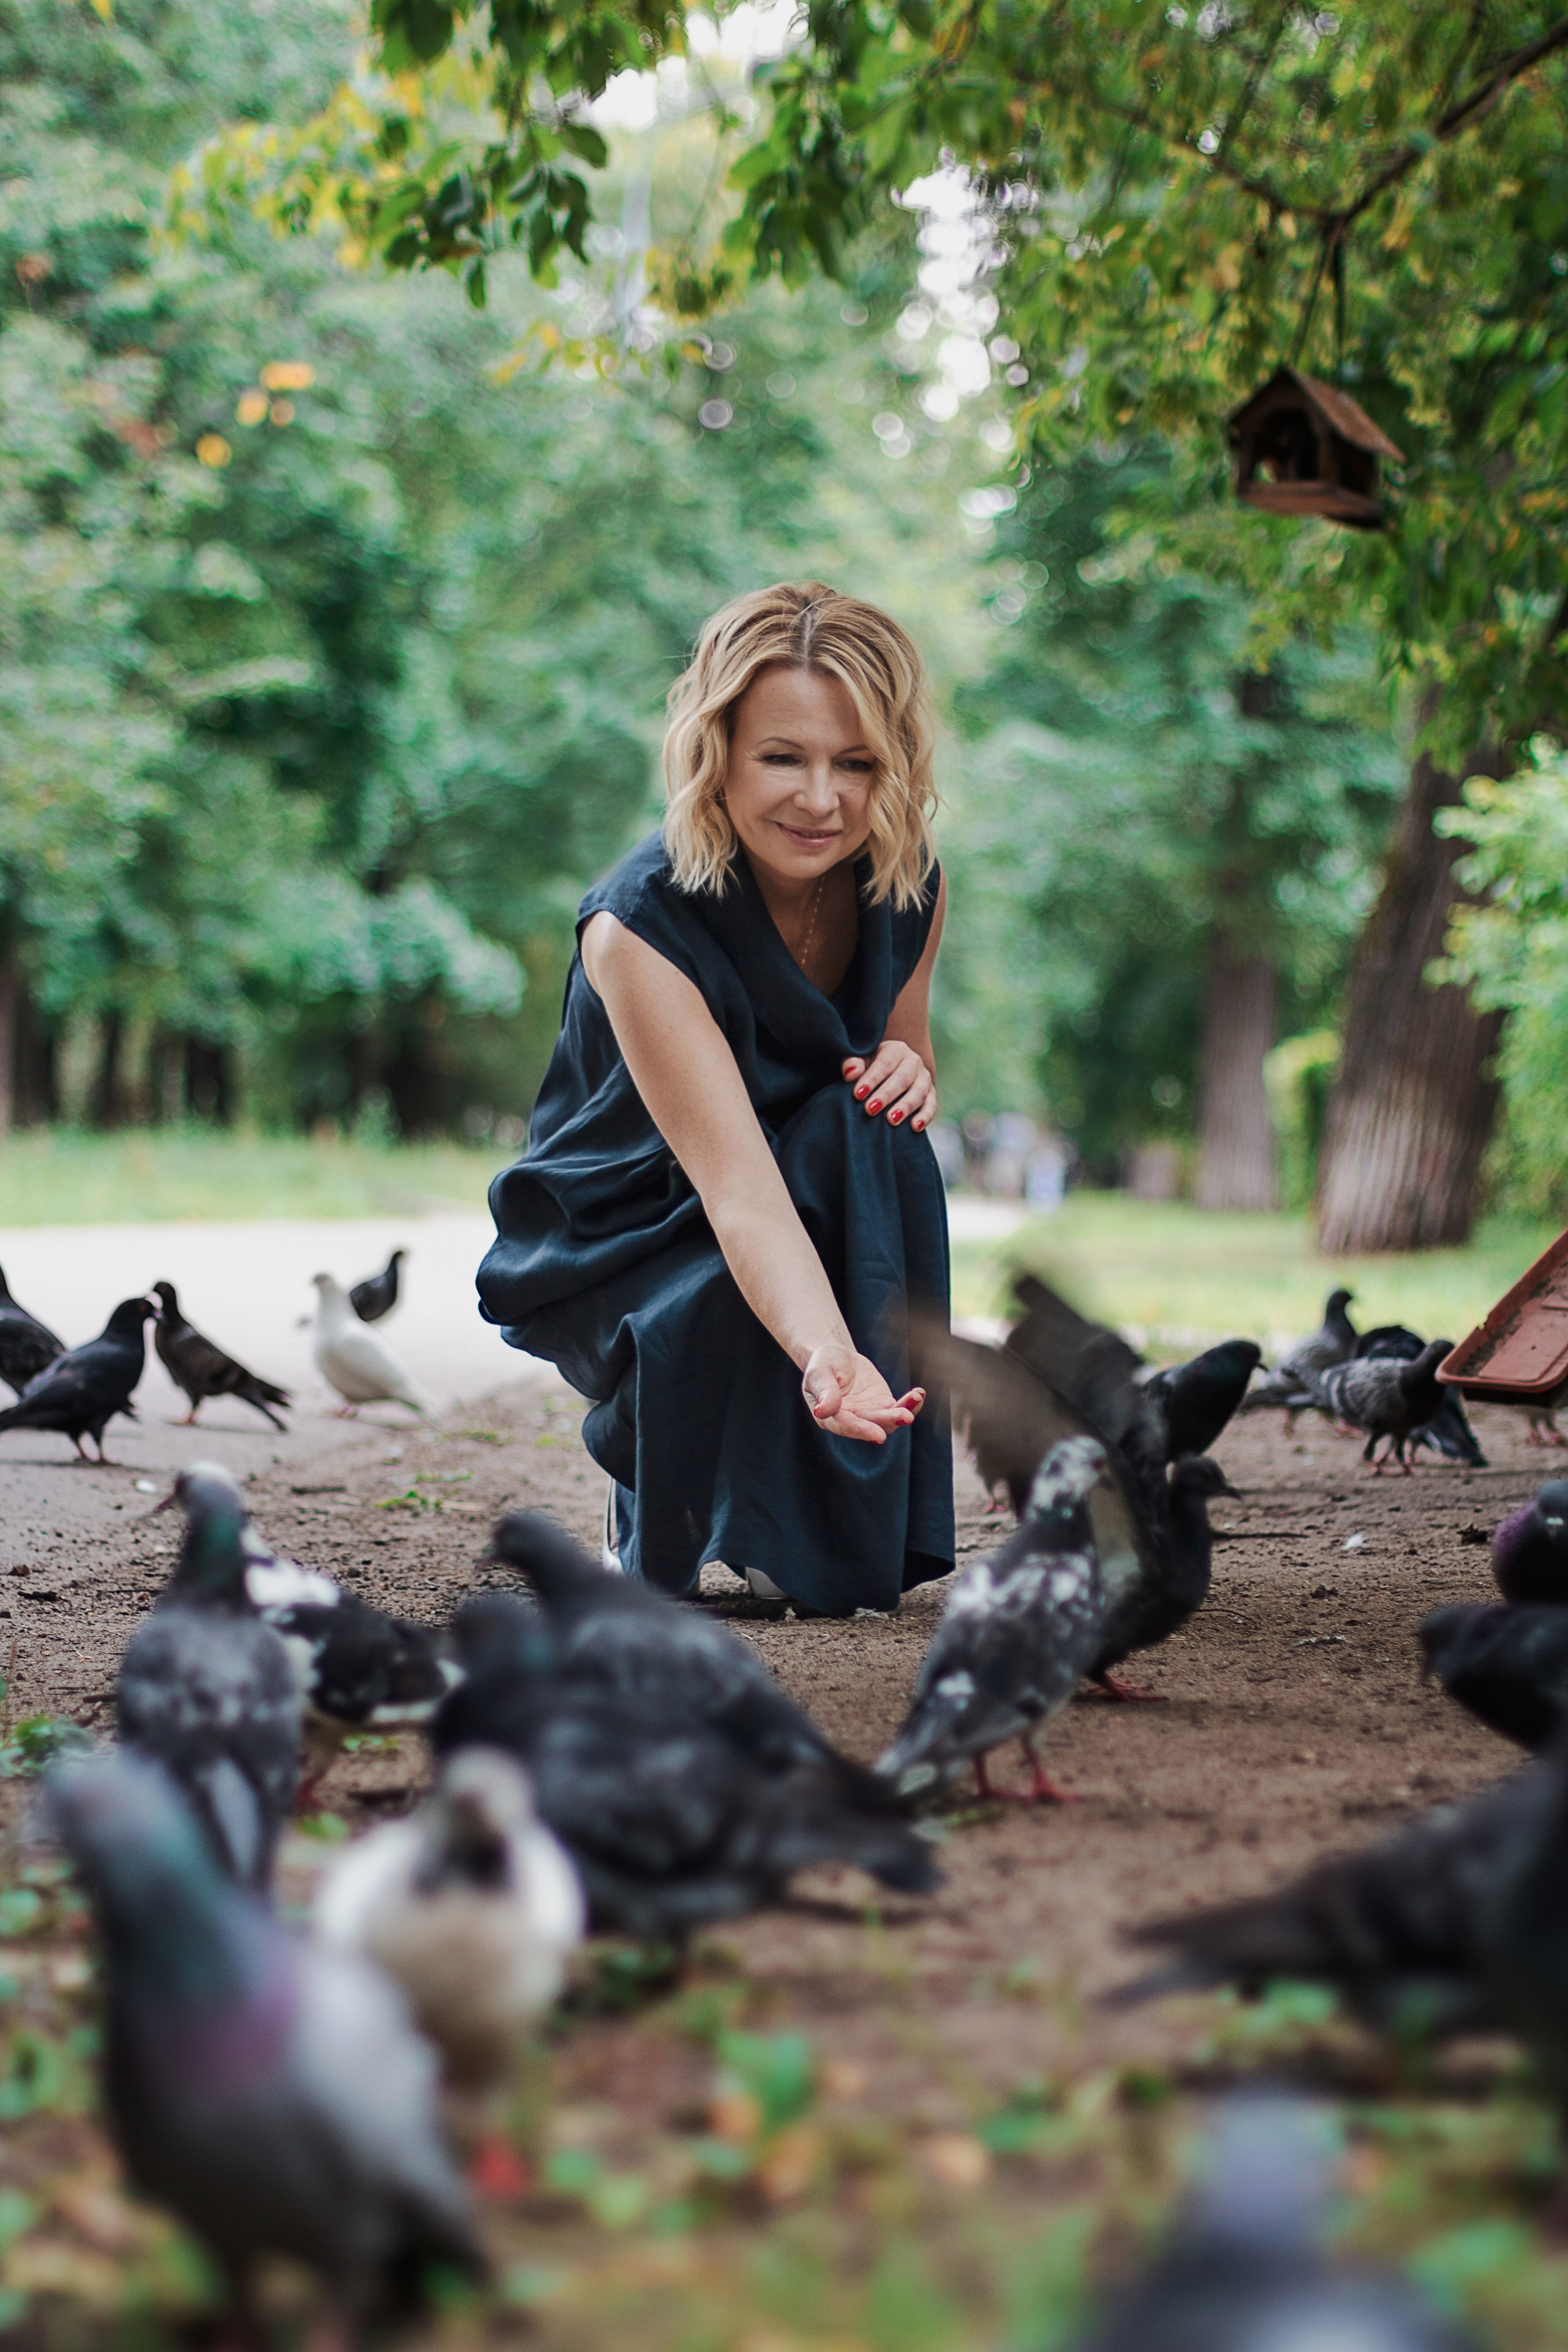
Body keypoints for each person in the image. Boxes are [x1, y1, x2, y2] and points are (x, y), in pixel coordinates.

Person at [477, 582, 952, 1614]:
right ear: (718, 751)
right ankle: (650, 1469)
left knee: (880, 1133)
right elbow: (737, 1188)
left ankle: (813, 1520)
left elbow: (897, 1057)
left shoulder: (907, 882)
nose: (821, 799)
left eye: (857, 763)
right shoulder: (639, 925)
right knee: (732, 1268)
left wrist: (914, 1071)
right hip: (635, 1211)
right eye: (783, 757)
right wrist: (832, 1356)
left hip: (791, 1178)